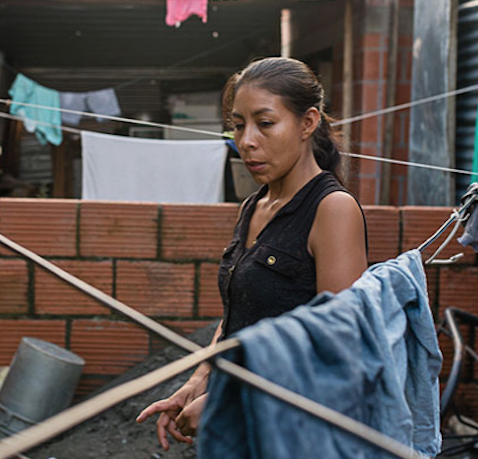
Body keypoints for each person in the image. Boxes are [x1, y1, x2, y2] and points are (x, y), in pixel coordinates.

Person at [135, 57, 368, 450]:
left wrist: (227, 401)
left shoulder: (332, 210)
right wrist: (198, 382)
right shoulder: (253, 207)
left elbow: (336, 349)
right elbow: (238, 316)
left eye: (265, 123)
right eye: (238, 125)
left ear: (308, 122)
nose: (246, 141)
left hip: (293, 434)